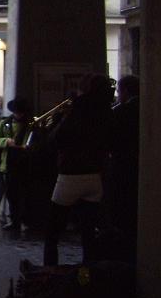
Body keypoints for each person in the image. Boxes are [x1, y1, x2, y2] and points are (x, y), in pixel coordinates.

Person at [43, 74, 115, 266]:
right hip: (95, 176)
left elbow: (57, 139)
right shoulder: (107, 110)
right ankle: (87, 277)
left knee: (52, 233)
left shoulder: (78, 109)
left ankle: (50, 275)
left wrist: (61, 116)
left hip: (71, 175)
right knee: (88, 234)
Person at [104, 75, 140, 264]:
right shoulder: (147, 108)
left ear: (124, 91)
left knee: (120, 213)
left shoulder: (121, 112)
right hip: (138, 166)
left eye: (119, 92)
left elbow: (109, 142)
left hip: (121, 167)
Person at [0, 97, 32, 230]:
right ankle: (14, 220)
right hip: (9, 162)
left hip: (24, 161)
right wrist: (6, 141)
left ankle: (24, 220)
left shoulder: (30, 124)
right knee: (11, 194)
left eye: (20, 112)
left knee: (24, 193)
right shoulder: (5, 122)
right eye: (16, 112)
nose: (18, 114)